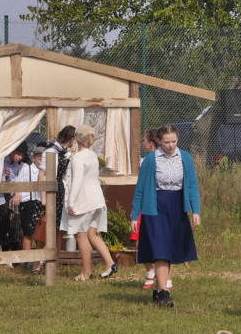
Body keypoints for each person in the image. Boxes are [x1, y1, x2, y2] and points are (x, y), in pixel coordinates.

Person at [131, 123, 201, 306]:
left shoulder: (185, 157)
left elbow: (192, 185)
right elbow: (140, 189)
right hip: (156, 206)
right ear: (159, 141)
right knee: (160, 249)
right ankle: (163, 292)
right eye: (167, 142)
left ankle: (158, 291)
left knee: (171, 248)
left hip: (177, 206)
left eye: (174, 141)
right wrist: (134, 215)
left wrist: (196, 211)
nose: (171, 145)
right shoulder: (150, 160)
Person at [65, 125, 118, 281]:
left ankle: (86, 272)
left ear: (77, 138)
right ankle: (110, 263)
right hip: (97, 199)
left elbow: (77, 181)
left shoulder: (77, 157)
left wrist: (70, 202)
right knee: (92, 234)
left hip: (84, 200)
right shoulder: (93, 155)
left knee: (80, 235)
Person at [132, 129, 159, 290]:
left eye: (144, 141)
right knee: (141, 240)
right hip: (145, 205)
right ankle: (151, 273)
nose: (142, 143)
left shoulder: (153, 160)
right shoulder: (146, 160)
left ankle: (161, 275)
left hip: (154, 205)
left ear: (151, 143)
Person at [14, 145, 46, 274]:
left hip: (40, 203)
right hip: (28, 203)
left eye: (43, 160)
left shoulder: (45, 172)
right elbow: (18, 183)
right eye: (39, 159)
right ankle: (26, 261)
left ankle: (38, 261)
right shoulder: (27, 169)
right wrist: (17, 193)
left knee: (40, 233)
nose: (41, 162)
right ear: (34, 158)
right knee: (28, 233)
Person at [46, 125, 76, 240]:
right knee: (50, 225)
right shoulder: (52, 150)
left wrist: (66, 194)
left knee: (58, 226)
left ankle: (55, 255)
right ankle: (43, 256)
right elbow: (47, 172)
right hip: (53, 187)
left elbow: (65, 176)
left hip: (61, 189)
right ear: (71, 138)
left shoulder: (65, 152)